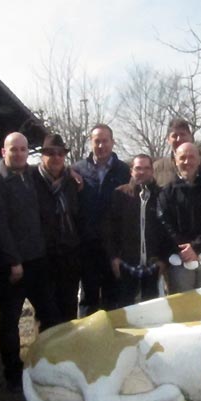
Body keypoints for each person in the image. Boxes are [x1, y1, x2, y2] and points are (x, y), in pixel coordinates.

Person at [0, 132, 59, 393]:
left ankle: (45, 365)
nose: (18, 154)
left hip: (38, 260)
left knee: (49, 315)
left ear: (29, 152)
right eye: (13, 149)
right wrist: (13, 261)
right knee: (10, 322)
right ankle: (13, 375)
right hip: (13, 266)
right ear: (3, 152)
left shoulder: (31, 177)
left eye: (23, 149)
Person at [72, 124, 131, 315]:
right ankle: (88, 341)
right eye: (97, 141)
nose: (101, 145)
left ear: (112, 142)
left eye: (105, 140)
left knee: (113, 297)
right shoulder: (77, 169)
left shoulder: (124, 171)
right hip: (87, 245)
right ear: (91, 142)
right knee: (88, 297)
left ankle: (112, 342)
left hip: (114, 246)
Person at [158, 143, 201, 293]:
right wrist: (185, 250)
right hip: (179, 260)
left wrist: (196, 246)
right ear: (175, 160)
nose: (187, 162)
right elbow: (166, 225)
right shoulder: (166, 192)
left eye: (191, 157)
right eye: (182, 158)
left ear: (199, 160)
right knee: (182, 310)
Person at [103, 154, 166, 307]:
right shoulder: (120, 194)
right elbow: (109, 229)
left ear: (152, 171)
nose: (142, 172)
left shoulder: (161, 195)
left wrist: (163, 259)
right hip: (126, 263)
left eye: (146, 168)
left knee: (152, 310)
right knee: (126, 311)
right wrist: (113, 257)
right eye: (138, 168)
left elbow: (166, 230)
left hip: (153, 264)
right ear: (131, 171)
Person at [31, 133, 82, 323]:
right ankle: (46, 352)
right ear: (43, 156)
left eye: (60, 154)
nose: (56, 158)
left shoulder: (71, 181)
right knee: (46, 313)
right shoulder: (31, 178)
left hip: (68, 255)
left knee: (69, 310)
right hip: (43, 256)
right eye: (51, 153)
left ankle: (67, 352)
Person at [152, 118, 201, 187]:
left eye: (182, 134)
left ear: (191, 137)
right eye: (174, 136)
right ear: (168, 140)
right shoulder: (157, 168)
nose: (179, 139)